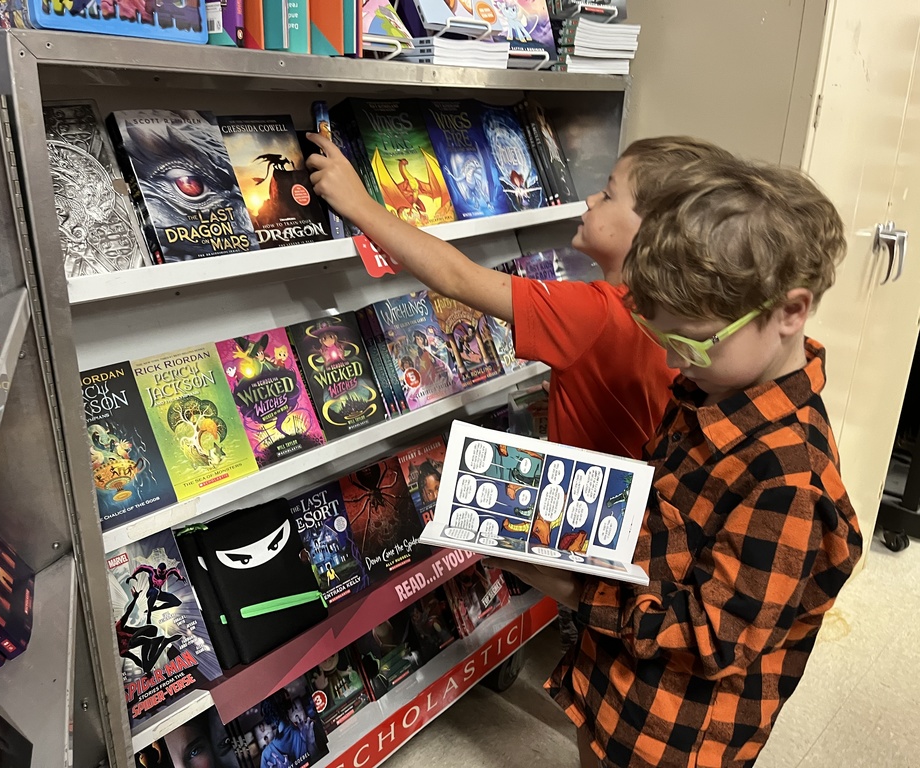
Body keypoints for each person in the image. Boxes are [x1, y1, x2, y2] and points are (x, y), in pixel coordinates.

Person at [489, 158, 864, 767]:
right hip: (617, 683)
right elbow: (662, 512)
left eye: (688, 343)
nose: (672, 362)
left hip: (676, 735)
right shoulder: (711, 389)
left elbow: (716, 636)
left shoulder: (789, 482)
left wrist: (578, 590)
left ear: (790, 311)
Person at [306, 131, 735, 648]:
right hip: (646, 532)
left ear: (653, 231)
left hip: (595, 536)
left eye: (608, 193)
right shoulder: (681, 319)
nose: (590, 200)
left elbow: (455, 277)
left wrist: (359, 203)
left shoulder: (594, 312)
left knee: (606, 665)